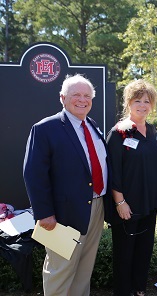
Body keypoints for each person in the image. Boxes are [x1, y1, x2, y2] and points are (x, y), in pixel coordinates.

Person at [23, 74, 108, 295]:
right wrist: (44, 213)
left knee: (83, 270)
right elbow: (33, 174)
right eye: (76, 95)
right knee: (60, 271)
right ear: (63, 98)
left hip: (96, 207)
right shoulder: (45, 128)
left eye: (87, 96)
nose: (82, 100)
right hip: (62, 214)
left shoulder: (92, 126)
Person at [105, 79, 157, 296]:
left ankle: (139, 289)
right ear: (128, 103)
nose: (143, 105)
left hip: (149, 204)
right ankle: (123, 292)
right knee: (124, 253)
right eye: (138, 100)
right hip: (127, 205)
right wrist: (120, 202)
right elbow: (112, 170)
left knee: (144, 250)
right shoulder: (119, 132)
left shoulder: (152, 131)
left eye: (147, 101)